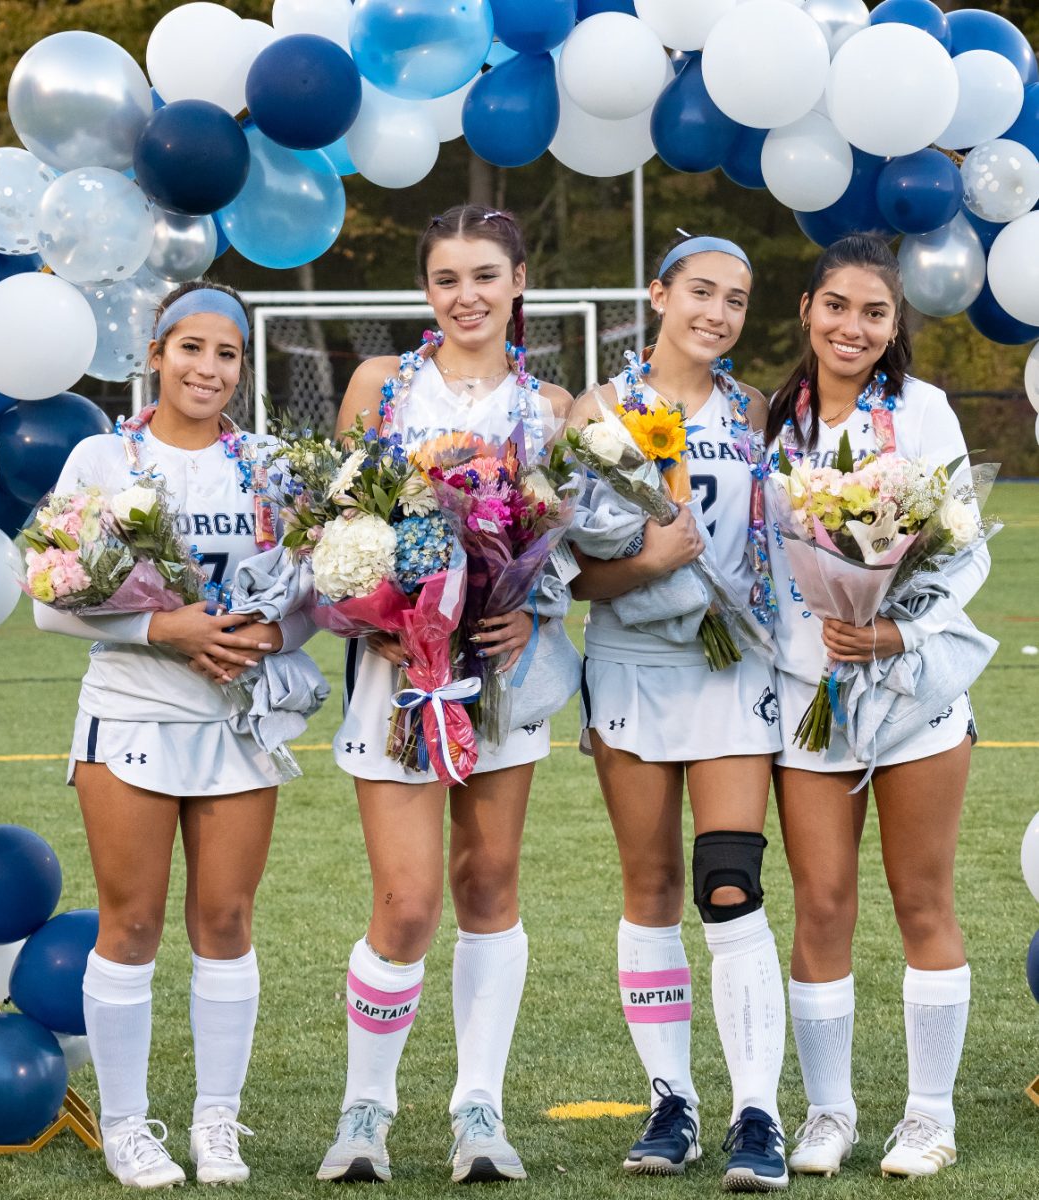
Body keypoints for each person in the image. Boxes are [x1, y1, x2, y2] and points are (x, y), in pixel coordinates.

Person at [317, 204, 573, 1185]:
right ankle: (365, 1108)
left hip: (497, 683)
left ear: (517, 284)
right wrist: (378, 609)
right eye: (445, 279)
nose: (465, 296)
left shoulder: (548, 406)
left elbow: (563, 550)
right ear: (426, 291)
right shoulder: (382, 388)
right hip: (395, 679)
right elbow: (334, 536)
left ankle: (479, 1108)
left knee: (487, 886)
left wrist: (528, 615)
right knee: (409, 899)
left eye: (483, 276)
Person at [35, 281, 311, 1188]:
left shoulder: (268, 465)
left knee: (226, 920)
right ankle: (127, 1127)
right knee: (135, 921)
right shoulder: (100, 457)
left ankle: (216, 1123)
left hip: (240, 718)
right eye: (191, 347)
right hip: (131, 712)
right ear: (156, 353)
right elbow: (52, 604)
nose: (209, 367)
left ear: (243, 364)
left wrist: (266, 634)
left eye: (227, 353)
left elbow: (313, 596)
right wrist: (165, 630)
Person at [764, 234, 989, 1180]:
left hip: (913, 695)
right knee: (819, 905)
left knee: (921, 899)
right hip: (810, 697)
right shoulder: (777, 421)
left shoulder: (926, 412)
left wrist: (894, 635)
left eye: (875, 312)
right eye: (837, 306)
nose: (852, 326)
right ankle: (827, 1112)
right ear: (809, 309)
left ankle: (927, 1117)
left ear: (895, 325)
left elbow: (964, 548)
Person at [568, 235, 788, 1192]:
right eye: (701, 291)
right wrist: (650, 566)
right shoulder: (601, 410)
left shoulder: (757, 413)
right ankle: (672, 1102)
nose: (718, 313)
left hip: (732, 663)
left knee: (728, 881)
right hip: (633, 663)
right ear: (659, 293)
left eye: (736, 300)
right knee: (650, 883)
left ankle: (756, 1113)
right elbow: (572, 572)